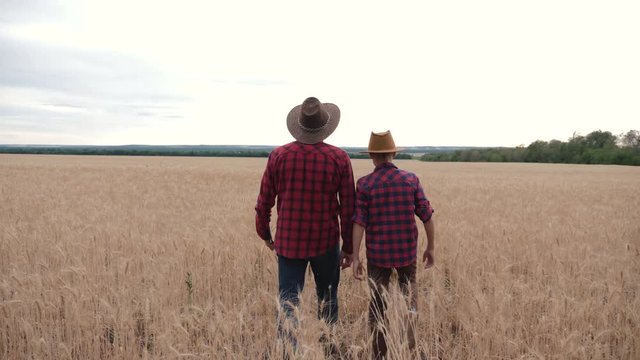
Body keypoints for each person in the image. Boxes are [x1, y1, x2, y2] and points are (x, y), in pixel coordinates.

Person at [254, 96, 355, 354]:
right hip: (326, 242)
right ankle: (329, 348)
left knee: (288, 301)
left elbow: (264, 201)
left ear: (299, 125)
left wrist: (264, 233)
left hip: (289, 243)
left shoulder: (279, 156)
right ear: (325, 127)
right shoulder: (339, 158)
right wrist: (349, 246)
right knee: (328, 299)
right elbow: (348, 207)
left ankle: (288, 353)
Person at [351, 130, 436, 360]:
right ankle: (410, 347)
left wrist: (356, 256)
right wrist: (431, 247)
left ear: (372, 155)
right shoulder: (410, 179)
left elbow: (359, 222)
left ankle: (380, 353)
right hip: (406, 254)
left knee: (378, 305)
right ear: (392, 154)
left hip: (378, 257)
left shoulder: (365, 184)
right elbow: (427, 216)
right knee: (410, 301)